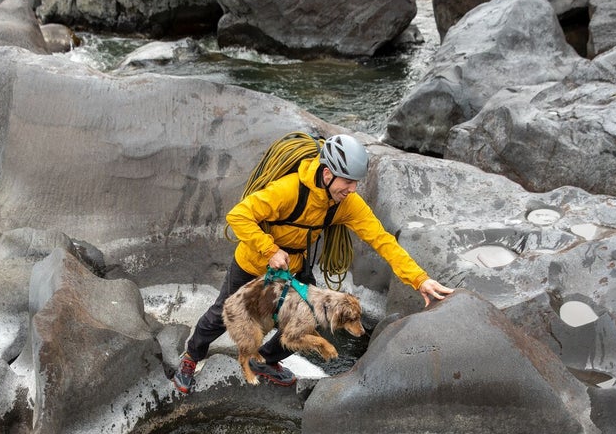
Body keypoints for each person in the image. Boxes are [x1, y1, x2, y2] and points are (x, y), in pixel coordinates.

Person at [172, 134, 453, 394]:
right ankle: (192, 356)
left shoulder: (347, 203)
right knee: (224, 314)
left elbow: (382, 240)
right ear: (328, 174)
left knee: (308, 318)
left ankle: (264, 361)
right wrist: (270, 250)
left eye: (356, 182)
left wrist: (419, 279)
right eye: (348, 182)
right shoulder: (288, 191)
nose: (353, 189)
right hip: (254, 263)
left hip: (293, 268)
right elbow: (238, 215)